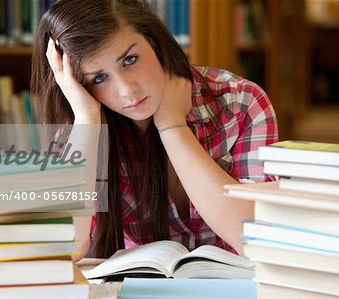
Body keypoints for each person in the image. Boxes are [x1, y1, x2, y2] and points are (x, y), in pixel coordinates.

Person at [31, 0, 278, 260]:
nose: (127, 90)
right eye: (99, 78)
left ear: (155, 42)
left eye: (130, 60)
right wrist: (86, 117)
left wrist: (172, 126)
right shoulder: (81, 131)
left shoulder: (241, 103)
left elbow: (256, 239)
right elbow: (66, 248)